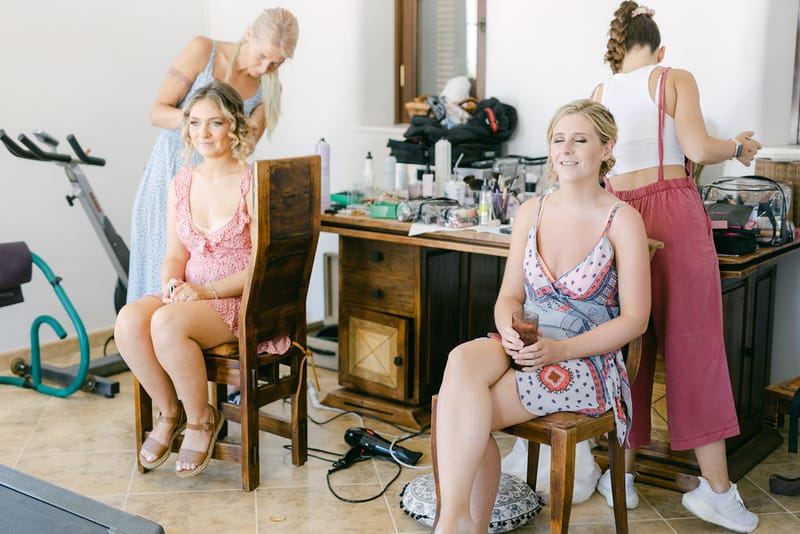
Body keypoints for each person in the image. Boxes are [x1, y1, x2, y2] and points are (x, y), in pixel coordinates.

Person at [433, 99, 652, 534]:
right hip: (526, 339)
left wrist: (561, 348)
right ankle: (456, 520)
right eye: (558, 139)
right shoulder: (530, 211)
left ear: (607, 148)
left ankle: (459, 527)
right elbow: (509, 296)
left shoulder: (623, 220)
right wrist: (507, 331)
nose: (566, 149)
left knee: (461, 415)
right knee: (461, 361)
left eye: (580, 139)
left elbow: (635, 321)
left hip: (587, 359)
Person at [591, 3, 763, 532]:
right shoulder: (674, 78)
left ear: (621, 50)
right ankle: (716, 492)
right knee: (695, 345)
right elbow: (695, 147)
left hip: (617, 214)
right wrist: (739, 146)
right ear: (659, 50)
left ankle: (621, 478)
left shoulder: (597, 96)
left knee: (627, 348)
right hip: (674, 212)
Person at [114, 80, 290, 478]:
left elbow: (261, 265)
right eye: (195, 123)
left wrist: (204, 291)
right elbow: (176, 253)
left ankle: (201, 419)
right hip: (190, 294)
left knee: (166, 323)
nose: (203, 134)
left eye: (215, 123)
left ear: (235, 127)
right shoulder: (182, 183)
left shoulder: (252, 182)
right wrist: (172, 285)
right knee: (129, 320)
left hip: (237, 298)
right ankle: (171, 410)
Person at [127, 7, 299, 303]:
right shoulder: (203, 51)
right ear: (248, 35)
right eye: (261, 56)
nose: (263, 69)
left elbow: (245, 145)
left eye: (276, 63)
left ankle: (193, 336)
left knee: (203, 276)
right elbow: (157, 112)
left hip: (219, 189)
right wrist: (203, 121)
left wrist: (239, 129)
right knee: (164, 266)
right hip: (173, 171)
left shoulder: (270, 89)